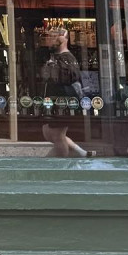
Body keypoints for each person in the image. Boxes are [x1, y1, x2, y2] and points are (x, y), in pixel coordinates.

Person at [39, 27, 90, 158]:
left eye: (57, 36)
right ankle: (80, 152)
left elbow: (67, 79)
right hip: (54, 99)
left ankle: (61, 162)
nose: (54, 38)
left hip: (63, 99)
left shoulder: (67, 58)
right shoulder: (56, 57)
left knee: (57, 135)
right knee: (49, 133)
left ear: (65, 39)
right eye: (52, 36)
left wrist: (51, 70)